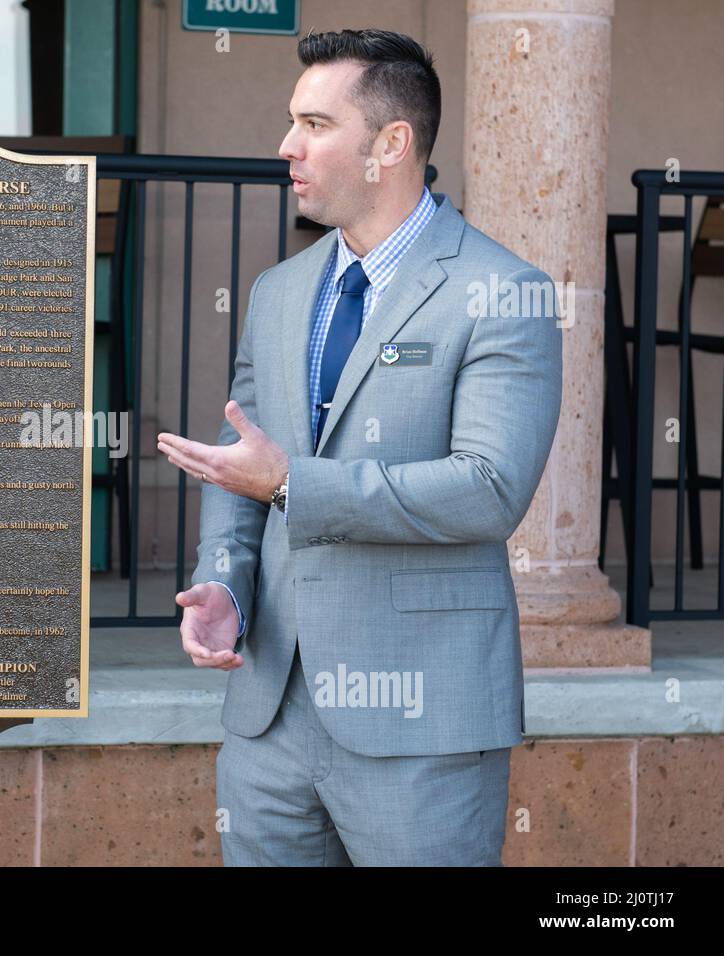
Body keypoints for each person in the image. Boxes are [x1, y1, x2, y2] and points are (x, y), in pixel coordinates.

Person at [156, 28, 563, 866]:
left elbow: (489, 488)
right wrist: (223, 583)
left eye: (315, 124)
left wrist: (292, 485)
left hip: (423, 720)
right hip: (268, 718)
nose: (287, 145)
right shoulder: (277, 292)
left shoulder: (502, 292)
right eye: (292, 121)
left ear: (391, 144)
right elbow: (242, 462)